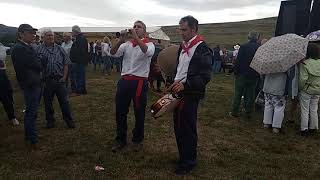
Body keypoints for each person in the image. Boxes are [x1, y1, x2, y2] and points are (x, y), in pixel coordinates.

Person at [168, 16, 212, 175]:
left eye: (184, 29)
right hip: (177, 91)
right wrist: (171, 80)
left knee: (187, 128)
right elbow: (179, 68)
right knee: (178, 126)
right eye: (180, 29)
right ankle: (183, 156)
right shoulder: (183, 46)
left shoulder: (202, 48)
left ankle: (189, 162)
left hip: (190, 94)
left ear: (194, 29)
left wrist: (186, 85)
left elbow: (205, 76)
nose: (181, 32)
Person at [110, 20, 155, 153]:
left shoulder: (150, 44)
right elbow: (112, 52)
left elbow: (146, 52)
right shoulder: (127, 44)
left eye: (139, 27)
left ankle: (138, 138)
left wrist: (135, 36)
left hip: (139, 82)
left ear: (144, 31)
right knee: (120, 111)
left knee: (139, 111)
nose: (135, 28)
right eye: (134, 26)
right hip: (124, 81)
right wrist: (120, 40)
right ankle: (120, 139)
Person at [36, 29, 75, 129]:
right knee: (48, 102)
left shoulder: (60, 48)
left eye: (51, 35)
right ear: (43, 37)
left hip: (59, 80)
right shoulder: (38, 49)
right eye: (48, 35)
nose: (50, 37)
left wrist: (64, 77)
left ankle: (68, 120)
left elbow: (66, 63)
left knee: (64, 102)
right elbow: (34, 65)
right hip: (47, 80)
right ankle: (50, 121)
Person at [11, 24, 42, 148]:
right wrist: (39, 61)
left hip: (31, 82)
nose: (33, 35)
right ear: (21, 34)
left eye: (33, 32)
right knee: (31, 111)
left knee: (32, 110)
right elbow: (37, 64)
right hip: (31, 83)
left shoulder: (25, 47)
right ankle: (32, 138)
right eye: (30, 33)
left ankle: (29, 135)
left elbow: (35, 62)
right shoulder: (20, 48)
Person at [230, 32, 260, 119]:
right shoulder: (259, 48)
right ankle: (248, 112)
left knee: (238, 93)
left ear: (249, 37)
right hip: (254, 75)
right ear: (257, 38)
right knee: (250, 95)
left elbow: (238, 61)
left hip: (242, 74)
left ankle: (235, 112)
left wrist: (235, 72)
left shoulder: (243, 47)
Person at [299, 43, 320, 135]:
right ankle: (314, 127)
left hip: (307, 90)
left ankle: (304, 129)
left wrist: (300, 88)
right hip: (318, 90)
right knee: (314, 108)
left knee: (305, 109)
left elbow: (302, 79)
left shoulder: (305, 64)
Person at [0, 42, 19, 126]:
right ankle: (12, 117)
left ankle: (12, 116)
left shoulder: (1, 46)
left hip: (2, 73)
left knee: (8, 93)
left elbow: (10, 50)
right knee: (5, 95)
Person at [70, 25, 89, 95]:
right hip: (80, 61)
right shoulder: (80, 38)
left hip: (79, 61)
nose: (72, 33)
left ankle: (79, 91)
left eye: (72, 31)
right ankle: (82, 90)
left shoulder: (80, 39)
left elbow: (81, 51)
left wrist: (75, 58)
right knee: (80, 76)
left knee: (79, 76)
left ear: (75, 31)